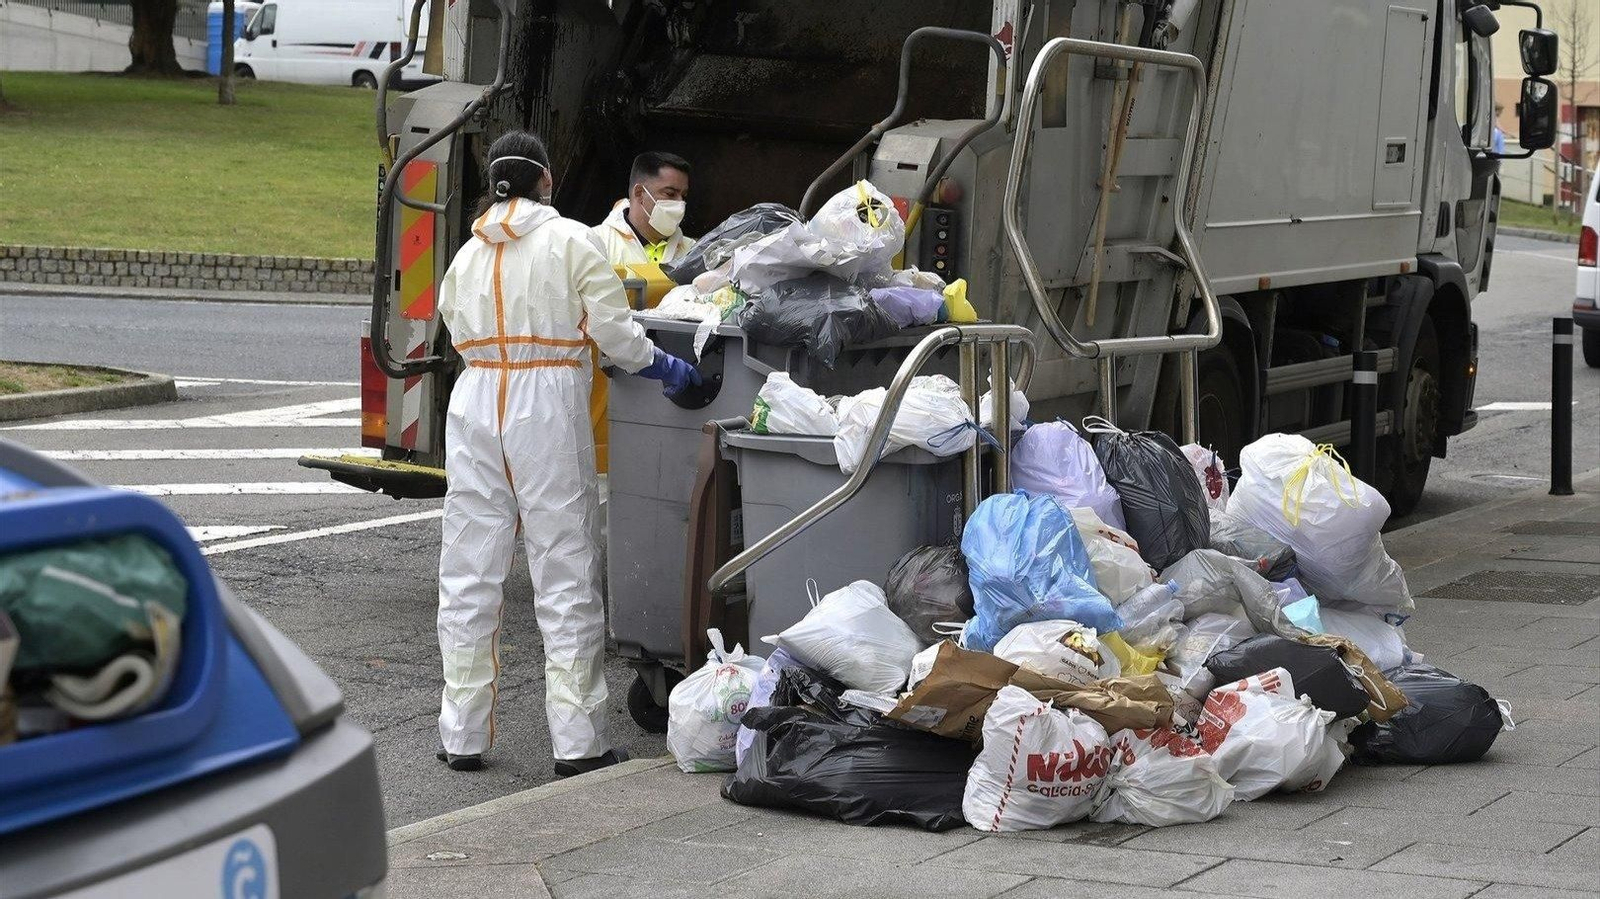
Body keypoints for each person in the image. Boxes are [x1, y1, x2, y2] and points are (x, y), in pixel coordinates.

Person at [434, 131, 700, 776]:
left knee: (468, 571)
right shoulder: (573, 241)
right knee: (565, 568)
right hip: (546, 400)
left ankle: (462, 736)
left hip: (473, 402)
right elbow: (615, 334)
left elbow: (449, 317)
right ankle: (577, 743)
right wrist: (665, 366)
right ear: (547, 181)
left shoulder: (467, 255)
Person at [592, 151, 696, 265]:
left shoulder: (693, 252)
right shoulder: (597, 245)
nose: (680, 204)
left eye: (684, 196)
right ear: (640, 193)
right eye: (670, 194)